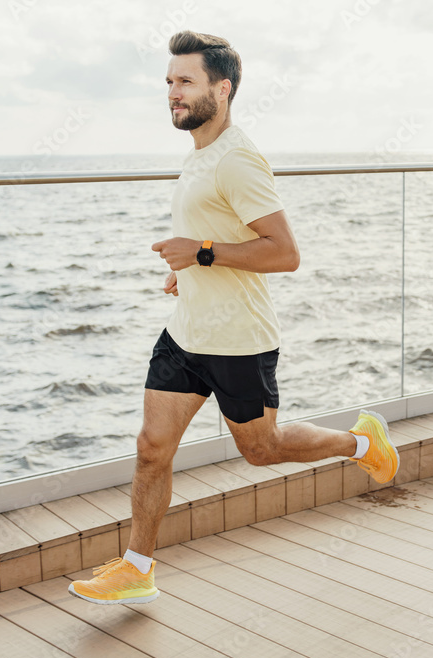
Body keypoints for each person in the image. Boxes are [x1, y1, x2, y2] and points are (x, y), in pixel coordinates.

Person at [68, 30, 398, 605]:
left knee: (260, 449)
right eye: (169, 82)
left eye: (185, 82)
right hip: (186, 335)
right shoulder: (200, 156)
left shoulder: (238, 159)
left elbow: (285, 253)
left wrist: (202, 253)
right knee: (152, 447)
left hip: (237, 341)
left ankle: (361, 443)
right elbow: (218, 240)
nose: (172, 92)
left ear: (222, 89)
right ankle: (137, 566)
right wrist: (191, 269)